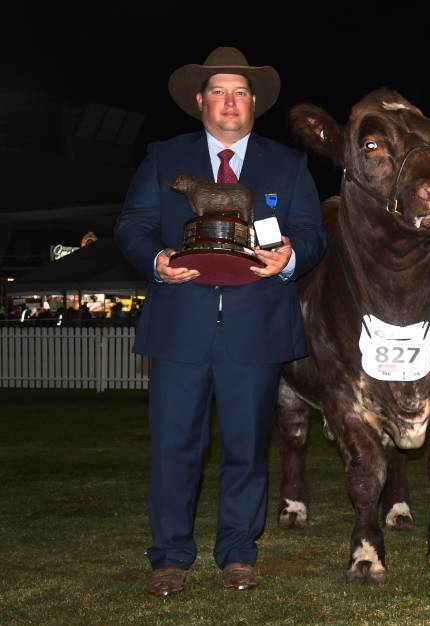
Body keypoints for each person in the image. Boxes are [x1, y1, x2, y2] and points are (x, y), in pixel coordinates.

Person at [114, 47, 326, 597]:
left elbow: (310, 233)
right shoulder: (164, 159)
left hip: (255, 331)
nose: (229, 102)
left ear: (253, 103)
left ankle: (237, 554)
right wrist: (156, 262)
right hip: (179, 328)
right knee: (173, 449)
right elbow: (132, 226)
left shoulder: (289, 163)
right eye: (218, 92)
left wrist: (291, 259)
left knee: (246, 448)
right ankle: (170, 557)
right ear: (200, 102)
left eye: (239, 92)